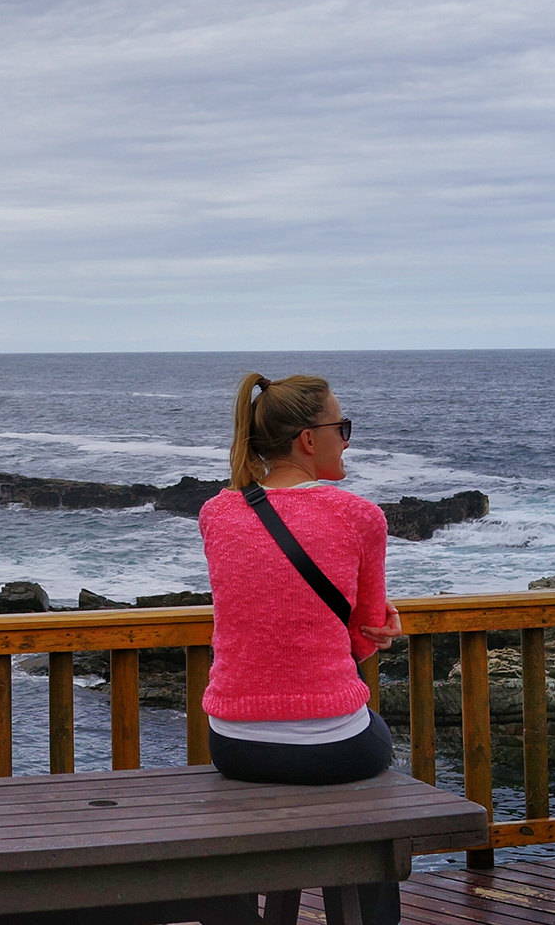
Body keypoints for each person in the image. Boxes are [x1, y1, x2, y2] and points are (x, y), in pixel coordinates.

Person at [199, 372, 404, 924]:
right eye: (343, 427)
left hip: (235, 744)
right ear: (309, 440)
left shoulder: (218, 513)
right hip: (333, 746)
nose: (347, 438)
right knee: (381, 758)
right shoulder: (361, 517)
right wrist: (381, 632)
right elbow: (360, 640)